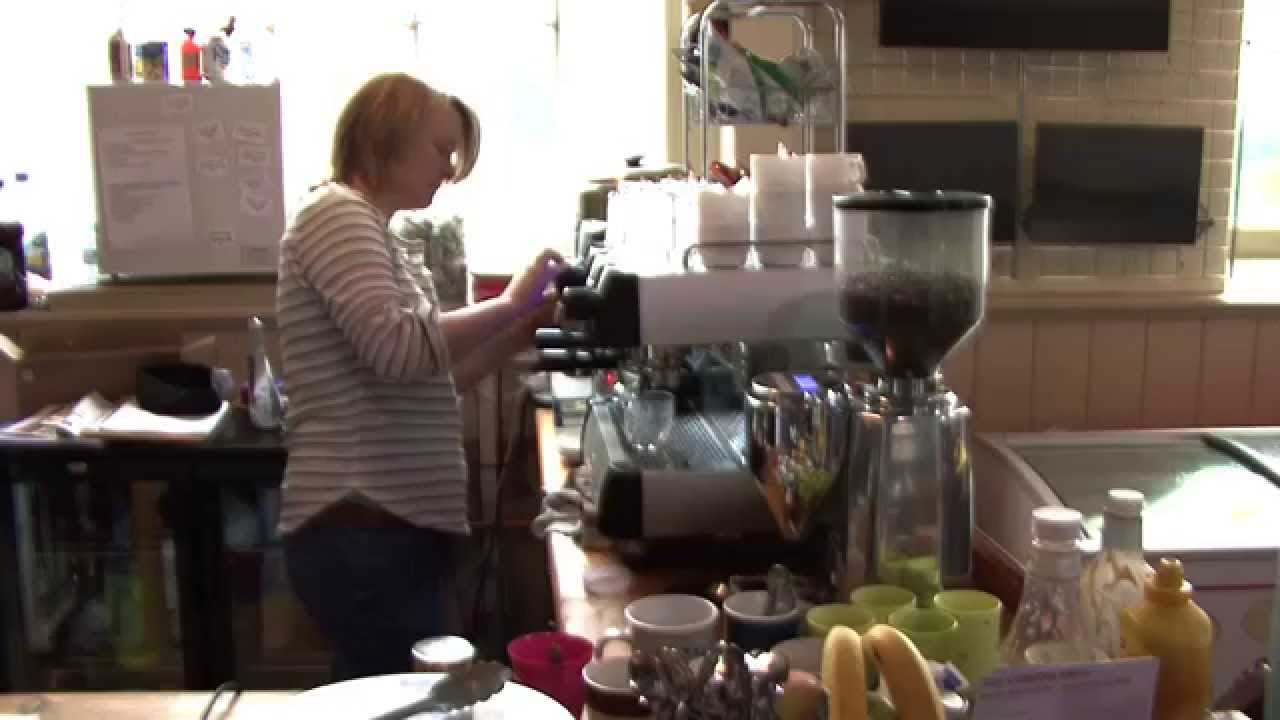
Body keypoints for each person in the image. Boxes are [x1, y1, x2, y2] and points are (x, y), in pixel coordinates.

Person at [275, 72, 562, 681]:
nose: (449, 169)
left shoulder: (379, 237)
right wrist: (509, 304)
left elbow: (431, 380)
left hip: (387, 530)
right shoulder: (337, 215)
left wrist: (517, 334)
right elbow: (400, 349)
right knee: (395, 700)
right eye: (440, 149)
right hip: (361, 528)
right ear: (388, 139)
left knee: (395, 696)